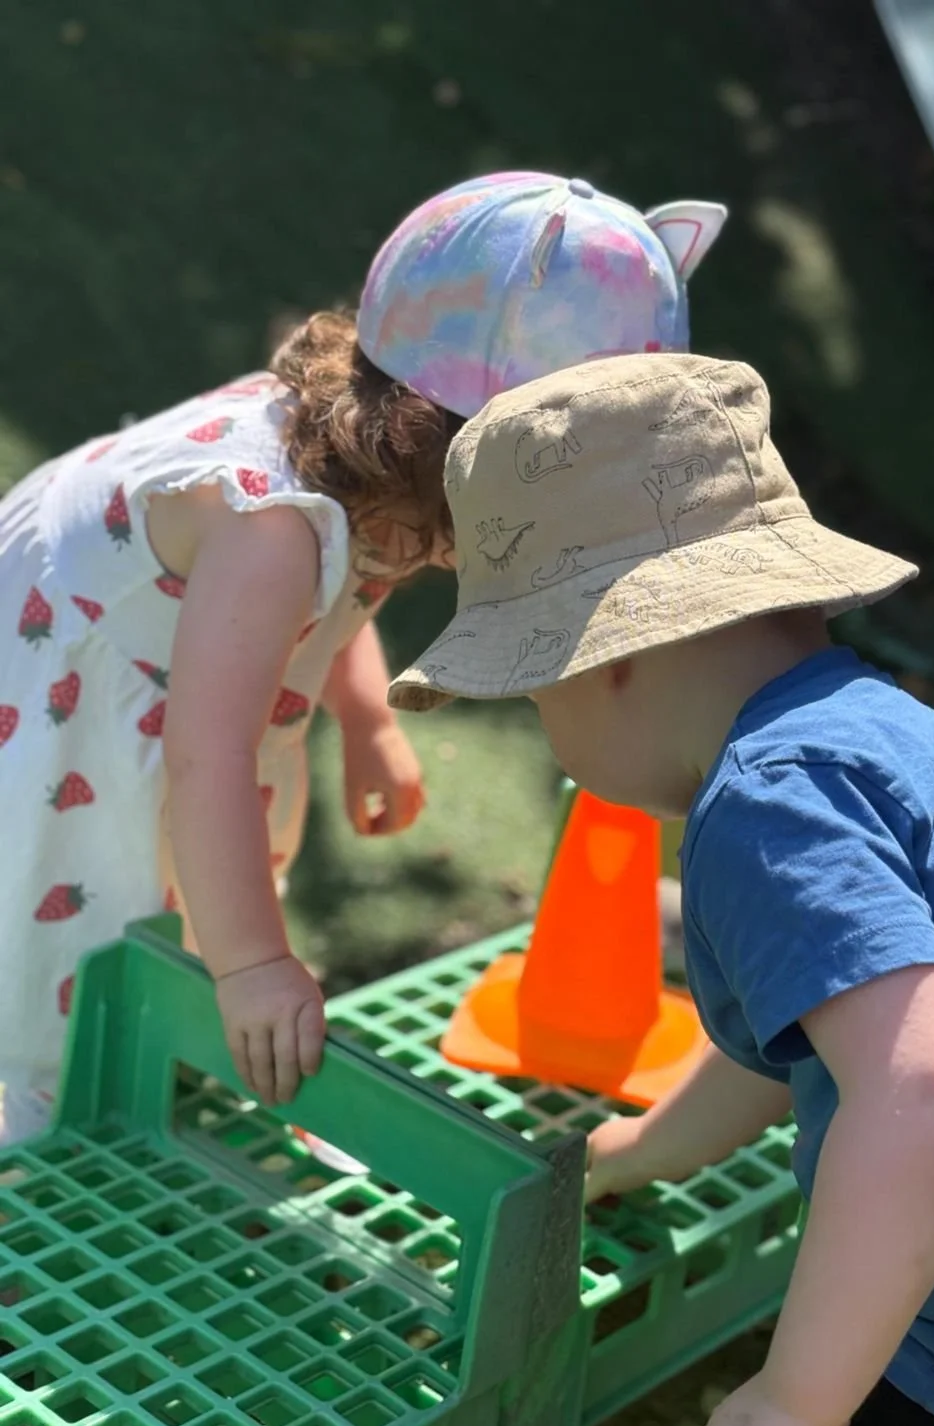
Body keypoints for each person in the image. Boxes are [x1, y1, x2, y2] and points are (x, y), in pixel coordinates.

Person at [387, 352, 934, 1426]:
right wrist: (643, 1150)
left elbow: (926, 1096)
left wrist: (795, 1405)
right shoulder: (871, 729)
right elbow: (819, 1024)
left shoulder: (764, 801)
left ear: (603, 660)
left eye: (531, 693)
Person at [0, 173, 726, 1146]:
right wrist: (254, 964)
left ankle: (171, 1018)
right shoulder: (271, 533)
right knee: (69, 919)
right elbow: (204, 754)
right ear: (462, 449)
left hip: (186, 672)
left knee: (183, 868)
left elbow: (347, 582)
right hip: (74, 683)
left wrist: (366, 714)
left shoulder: (368, 476)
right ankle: (43, 1110)